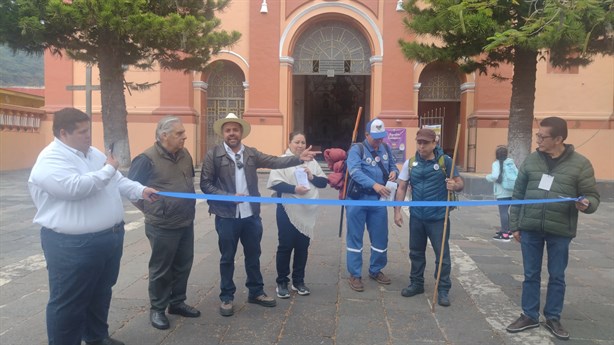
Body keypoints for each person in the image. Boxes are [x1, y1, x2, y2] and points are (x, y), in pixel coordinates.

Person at [28, 108, 158, 345]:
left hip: (108, 238)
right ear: (63, 133)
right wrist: (109, 168)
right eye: (82, 132)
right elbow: (75, 188)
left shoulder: (93, 154)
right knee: (68, 300)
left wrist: (141, 190)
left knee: (101, 292)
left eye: (89, 130)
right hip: (72, 245)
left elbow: (118, 181)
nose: (89, 136)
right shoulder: (50, 160)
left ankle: (96, 336)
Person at [200, 113, 319, 317]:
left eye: (235, 130)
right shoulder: (214, 154)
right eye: (228, 130)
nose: (232, 133)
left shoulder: (251, 154)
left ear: (241, 133)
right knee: (227, 257)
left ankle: (255, 292)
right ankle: (227, 296)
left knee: (253, 255)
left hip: (251, 215)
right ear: (223, 133)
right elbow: (205, 184)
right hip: (226, 215)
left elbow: (274, 161)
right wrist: (227, 196)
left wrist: (297, 158)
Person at [506, 117, 600, 340]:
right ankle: (529, 314)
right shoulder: (531, 161)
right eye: (537, 135)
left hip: (560, 229)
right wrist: (515, 225)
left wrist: (587, 204)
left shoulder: (581, 164)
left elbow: (592, 196)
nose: (537, 139)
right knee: (530, 274)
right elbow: (518, 195)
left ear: (559, 139)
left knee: (557, 275)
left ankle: (553, 317)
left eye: (542, 136)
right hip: (530, 227)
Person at [127, 116, 200, 330]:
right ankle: (157, 309)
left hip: (186, 220)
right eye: (179, 133)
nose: (184, 136)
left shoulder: (185, 154)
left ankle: (177, 302)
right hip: (162, 225)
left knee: (183, 264)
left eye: (183, 132)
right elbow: (131, 191)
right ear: (163, 135)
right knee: (161, 268)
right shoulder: (145, 159)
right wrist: (151, 211)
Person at [393, 128, 463, 307]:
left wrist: (454, 186)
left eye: (425, 143)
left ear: (434, 143)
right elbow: (401, 187)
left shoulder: (445, 161)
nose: (421, 146)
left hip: (439, 217)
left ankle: (443, 289)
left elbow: (460, 182)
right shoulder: (411, 162)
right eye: (419, 142)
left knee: (442, 255)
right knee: (415, 252)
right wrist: (397, 211)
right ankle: (416, 283)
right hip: (417, 216)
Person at [266, 131, 328, 298]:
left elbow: (323, 183)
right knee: (285, 245)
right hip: (287, 208)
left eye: (303, 142)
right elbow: (275, 183)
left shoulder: (311, 161)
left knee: (302, 247)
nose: (300, 145)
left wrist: (311, 176)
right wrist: (294, 189)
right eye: (297, 142)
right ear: (289, 143)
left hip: (307, 212)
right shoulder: (282, 160)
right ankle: (282, 281)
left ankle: (298, 281)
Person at [345, 118, 399, 292]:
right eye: (376, 137)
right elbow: (354, 172)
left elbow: (394, 166)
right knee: (355, 238)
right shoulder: (357, 150)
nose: (379, 141)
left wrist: (393, 173)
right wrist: (374, 185)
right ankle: (355, 274)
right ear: (366, 135)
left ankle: (376, 269)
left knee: (380, 237)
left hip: (378, 201)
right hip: (357, 199)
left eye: (382, 137)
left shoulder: (385, 148)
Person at [485, 146, 518, 242]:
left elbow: (495, 176)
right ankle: (509, 230)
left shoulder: (496, 164)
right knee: (506, 211)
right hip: (511, 190)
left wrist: (487, 177)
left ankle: (505, 234)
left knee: (503, 212)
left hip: (501, 192)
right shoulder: (511, 163)